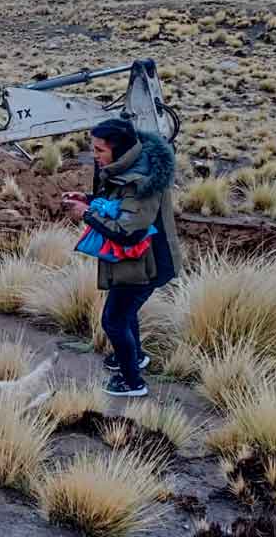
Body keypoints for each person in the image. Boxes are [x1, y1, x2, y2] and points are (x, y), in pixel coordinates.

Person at [62, 117, 182, 398]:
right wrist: (89, 199)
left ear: (119, 149)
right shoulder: (130, 166)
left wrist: (86, 214)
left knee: (114, 320)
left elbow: (129, 232)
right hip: (135, 263)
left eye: (99, 150)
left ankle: (132, 383)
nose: (95, 156)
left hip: (149, 264)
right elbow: (119, 205)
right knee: (125, 312)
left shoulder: (142, 182)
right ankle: (134, 357)